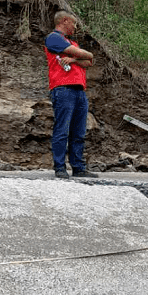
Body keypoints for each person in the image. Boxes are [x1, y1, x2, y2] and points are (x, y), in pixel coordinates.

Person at [44, 11, 97, 178]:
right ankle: (60, 167)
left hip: (79, 90)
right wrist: (80, 54)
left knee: (79, 131)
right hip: (63, 88)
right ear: (64, 21)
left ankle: (78, 167)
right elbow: (85, 55)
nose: (75, 27)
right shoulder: (54, 38)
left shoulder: (71, 42)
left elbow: (89, 60)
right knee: (62, 129)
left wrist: (73, 59)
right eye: (73, 23)